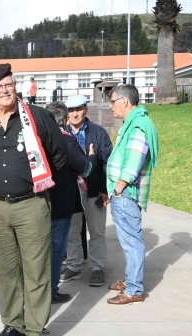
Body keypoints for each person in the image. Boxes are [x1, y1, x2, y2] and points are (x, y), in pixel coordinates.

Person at [0, 64, 67, 336]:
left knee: (36, 271)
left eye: (9, 84)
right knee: (7, 271)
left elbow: (59, 155)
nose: (5, 90)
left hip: (31, 204)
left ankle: (36, 332)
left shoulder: (37, 116)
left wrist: (39, 183)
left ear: (16, 87)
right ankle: (14, 324)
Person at [106, 84, 159, 305]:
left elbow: (134, 160)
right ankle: (130, 281)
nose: (111, 106)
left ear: (125, 101)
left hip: (126, 194)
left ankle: (134, 290)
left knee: (132, 243)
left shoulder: (137, 125)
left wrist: (118, 187)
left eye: (112, 102)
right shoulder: (134, 122)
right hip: (124, 194)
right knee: (129, 242)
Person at [45, 102, 96, 304]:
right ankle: (51, 291)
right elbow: (85, 169)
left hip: (37, 203)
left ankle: (36, 292)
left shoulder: (36, 139)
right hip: (61, 203)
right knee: (56, 248)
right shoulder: (65, 139)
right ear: (65, 120)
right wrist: (91, 157)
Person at [60, 95, 113, 287]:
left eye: (79, 109)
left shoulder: (98, 132)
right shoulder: (62, 133)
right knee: (72, 231)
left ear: (86, 110)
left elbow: (107, 162)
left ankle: (98, 268)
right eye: (71, 110)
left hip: (94, 190)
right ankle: (74, 265)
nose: (75, 114)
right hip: (71, 192)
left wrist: (105, 188)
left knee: (97, 231)